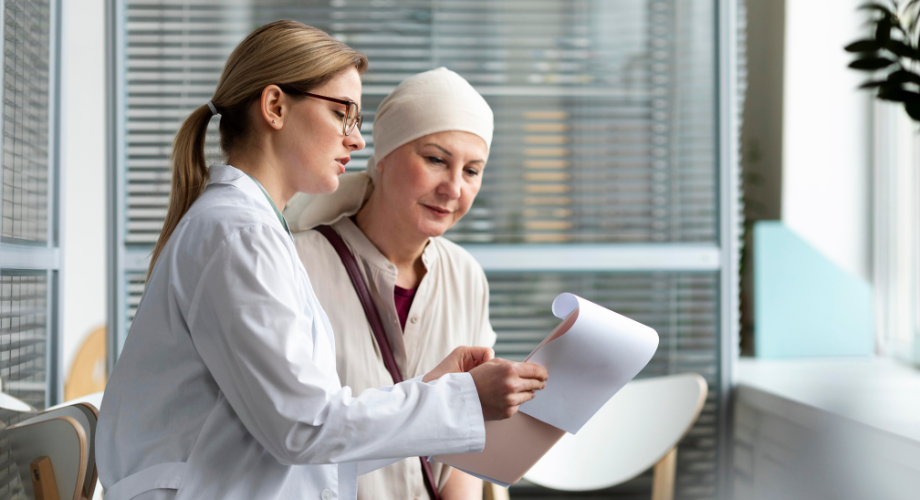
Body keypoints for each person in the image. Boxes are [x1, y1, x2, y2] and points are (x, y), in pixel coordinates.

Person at [96, 21, 548, 500]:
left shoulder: (249, 230)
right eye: (341, 114)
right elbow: (306, 429)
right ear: (274, 107)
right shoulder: (240, 236)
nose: (355, 141)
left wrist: (440, 389)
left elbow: (313, 433)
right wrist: (461, 400)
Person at [284, 67, 497, 500]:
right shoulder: (297, 264)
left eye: (472, 171)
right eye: (436, 159)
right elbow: (293, 435)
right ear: (383, 154)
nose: (453, 188)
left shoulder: (465, 275)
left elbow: (467, 442)